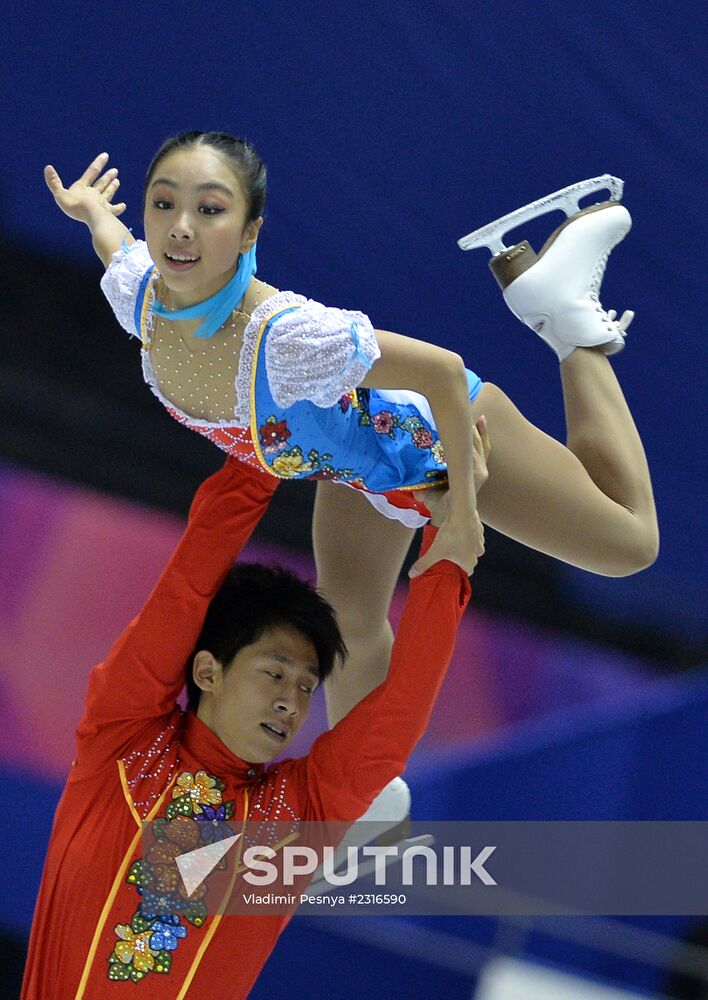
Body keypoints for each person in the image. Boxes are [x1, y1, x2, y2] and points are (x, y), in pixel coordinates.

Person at [44, 131, 658, 828]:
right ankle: (371, 802)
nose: (180, 228)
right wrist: (93, 210)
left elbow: (441, 373)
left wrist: (459, 511)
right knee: (346, 619)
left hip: (438, 436)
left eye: (209, 210)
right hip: (353, 466)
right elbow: (114, 245)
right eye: (164, 204)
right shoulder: (139, 294)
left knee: (629, 546)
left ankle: (565, 320)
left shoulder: (287, 335)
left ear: (250, 231)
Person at [21, 418, 489, 999]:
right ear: (208, 671)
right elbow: (186, 588)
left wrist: (449, 559)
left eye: (306, 688)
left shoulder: (298, 811)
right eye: (275, 674)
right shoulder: (122, 741)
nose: (291, 702)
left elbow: (394, 718)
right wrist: (261, 452)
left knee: (379, 782)